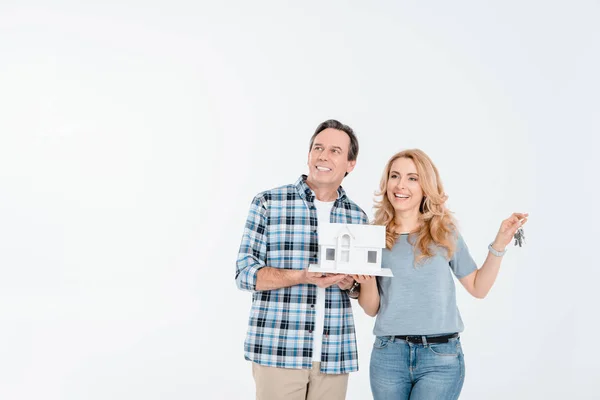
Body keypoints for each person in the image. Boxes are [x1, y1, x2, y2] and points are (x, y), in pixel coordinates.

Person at [354, 149, 528, 400]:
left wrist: (500, 242)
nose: (401, 185)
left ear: (426, 186)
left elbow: (478, 288)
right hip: (388, 355)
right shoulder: (374, 235)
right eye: (395, 176)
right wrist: (366, 281)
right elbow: (371, 308)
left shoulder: (443, 232)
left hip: (440, 358)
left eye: (412, 178)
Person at [235, 119, 368, 400]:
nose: (323, 155)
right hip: (279, 352)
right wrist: (302, 275)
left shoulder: (358, 218)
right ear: (309, 154)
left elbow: (359, 289)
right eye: (318, 147)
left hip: (334, 357)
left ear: (350, 164)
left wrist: (349, 285)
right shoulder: (268, 203)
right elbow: (245, 274)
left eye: (335, 150)